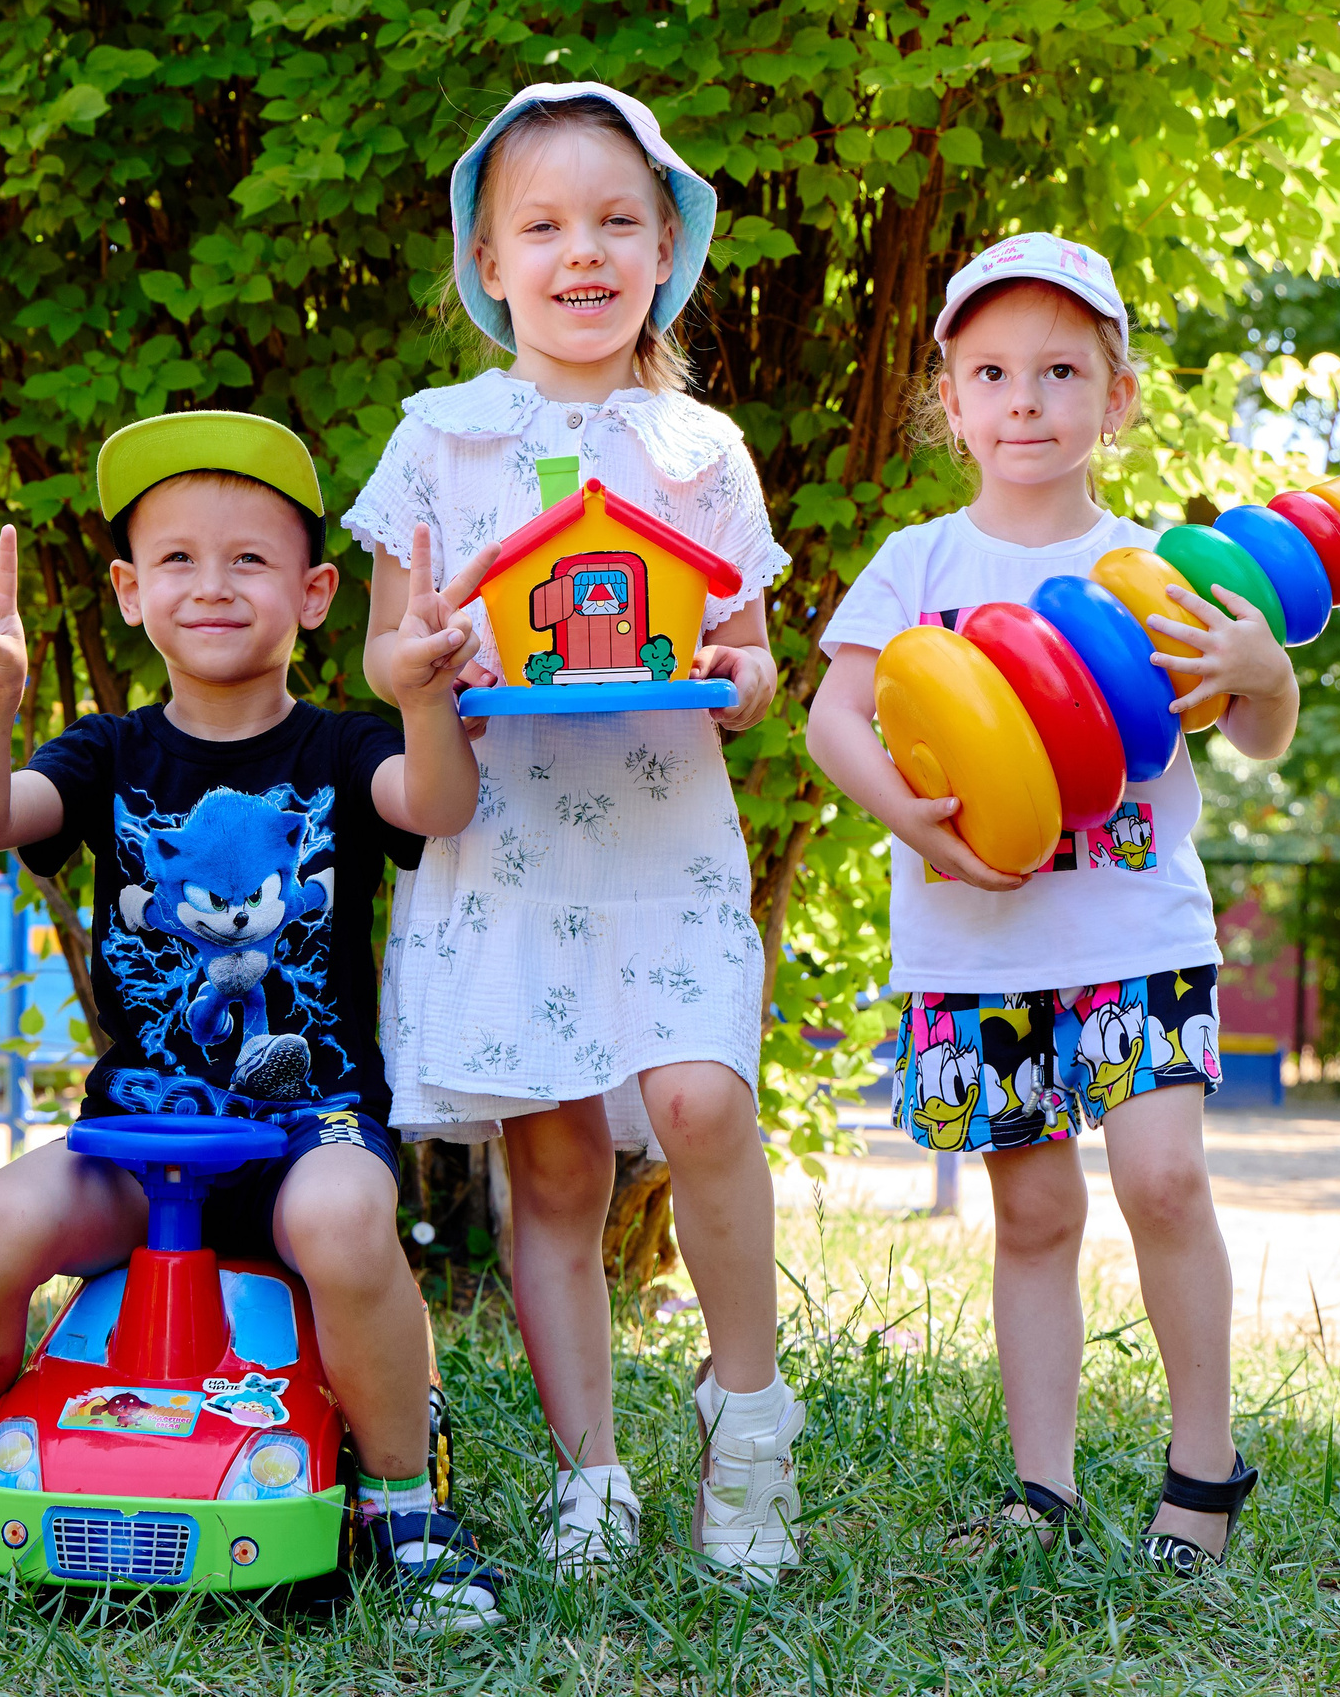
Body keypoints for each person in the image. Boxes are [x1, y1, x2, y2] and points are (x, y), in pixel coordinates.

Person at [0, 409, 505, 1628]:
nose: (212, 585)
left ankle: (406, 1510)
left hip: (309, 1125)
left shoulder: (341, 745)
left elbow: (439, 801)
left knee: (347, 1219)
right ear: (127, 591)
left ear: (315, 595)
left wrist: (422, 697)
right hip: (142, 1137)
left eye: (250, 559)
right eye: (177, 560)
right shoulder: (108, 754)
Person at [342, 83, 802, 1580]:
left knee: (702, 1100)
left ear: (667, 245)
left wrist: (738, 676)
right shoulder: (441, 439)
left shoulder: (696, 448)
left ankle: (750, 1418)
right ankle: (588, 1471)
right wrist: (419, 667)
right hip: (509, 852)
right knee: (550, 1167)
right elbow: (386, 650)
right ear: (488, 258)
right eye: (543, 224)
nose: (580, 252)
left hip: (664, 845)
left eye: (616, 221)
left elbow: (749, 656)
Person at [806, 233, 1299, 1573]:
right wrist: (902, 814)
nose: (1025, 399)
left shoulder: (1158, 564)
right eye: (993, 372)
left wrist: (1261, 664)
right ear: (952, 402)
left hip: (1137, 933)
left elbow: (1260, 732)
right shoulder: (918, 562)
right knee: (1032, 1214)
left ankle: (1204, 1463)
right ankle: (1045, 1488)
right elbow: (834, 716)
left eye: (1061, 370)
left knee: (1164, 1173)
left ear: (1117, 399)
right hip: (976, 950)